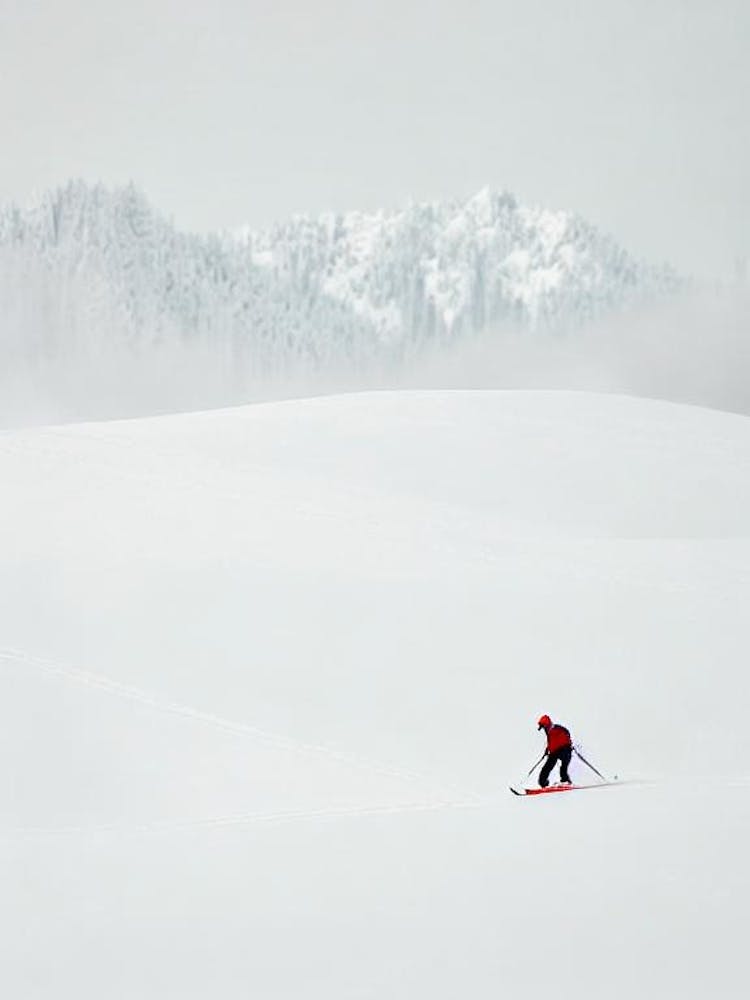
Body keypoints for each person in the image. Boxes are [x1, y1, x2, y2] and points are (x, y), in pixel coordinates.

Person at [537, 714, 573, 787]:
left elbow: (567, 735)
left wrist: (569, 745)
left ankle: (565, 781)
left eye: (543, 727)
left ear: (547, 725)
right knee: (546, 767)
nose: (543, 729)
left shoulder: (558, 729)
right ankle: (543, 782)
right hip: (554, 752)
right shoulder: (549, 733)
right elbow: (552, 742)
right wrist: (548, 750)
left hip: (565, 750)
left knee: (563, 767)